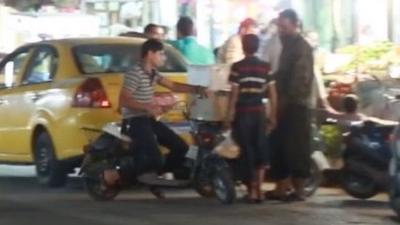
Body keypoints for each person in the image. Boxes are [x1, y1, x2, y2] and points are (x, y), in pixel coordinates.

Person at [108, 39, 206, 198]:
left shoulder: (153, 73)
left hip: (149, 119)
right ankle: (131, 175)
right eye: (161, 54)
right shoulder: (135, 73)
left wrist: (197, 89)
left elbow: (173, 86)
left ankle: (154, 177)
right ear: (150, 54)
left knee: (180, 147)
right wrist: (147, 107)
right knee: (155, 155)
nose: (164, 58)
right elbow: (124, 100)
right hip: (134, 120)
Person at [266, 9, 315, 202]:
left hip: (296, 105)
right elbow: (279, 74)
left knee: (296, 148)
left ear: (295, 25)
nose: (281, 30)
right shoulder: (285, 46)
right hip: (282, 102)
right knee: (278, 146)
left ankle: (299, 190)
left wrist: (282, 102)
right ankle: (281, 187)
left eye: (284, 27)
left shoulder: (301, 47)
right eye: (279, 26)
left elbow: (299, 81)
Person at [225, 34, 277, 203]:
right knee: (260, 149)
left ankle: (251, 191)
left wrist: (228, 115)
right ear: (257, 47)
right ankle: (260, 190)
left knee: (247, 151)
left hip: (243, 114)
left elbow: (234, 94)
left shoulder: (237, 67)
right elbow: (273, 94)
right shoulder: (265, 67)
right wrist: (273, 115)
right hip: (259, 113)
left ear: (243, 46)